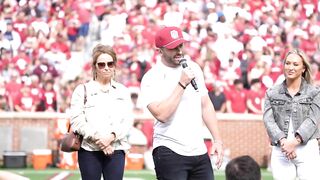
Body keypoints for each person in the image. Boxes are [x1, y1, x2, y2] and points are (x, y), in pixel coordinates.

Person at [140, 26, 224, 180]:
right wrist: (182, 84)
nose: (179, 51)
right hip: (169, 149)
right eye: (173, 47)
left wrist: (217, 140)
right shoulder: (151, 77)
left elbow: (205, 105)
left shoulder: (194, 68)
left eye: (180, 45)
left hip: (198, 149)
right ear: (160, 50)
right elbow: (162, 115)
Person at [69, 44, 133, 180]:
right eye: (101, 64)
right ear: (94, 67)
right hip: (89, 150)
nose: (106, 67)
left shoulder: (123, 91)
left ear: (115, 65)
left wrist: (111, 137)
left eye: (110, 63)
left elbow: (127, 120)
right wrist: (99, 139)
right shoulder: (82, 90)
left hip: (116, 148)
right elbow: (77, 121)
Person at [263, 49, 320, 180]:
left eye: (295, 64)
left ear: (303, 68)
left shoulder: (315, 92)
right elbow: (268, 120)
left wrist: (294, 142)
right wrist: (284, 142)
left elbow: (313, 120)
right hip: (281, 150)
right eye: (287, 63)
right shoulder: (271, 92)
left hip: (307, 149)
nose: (290, 67)